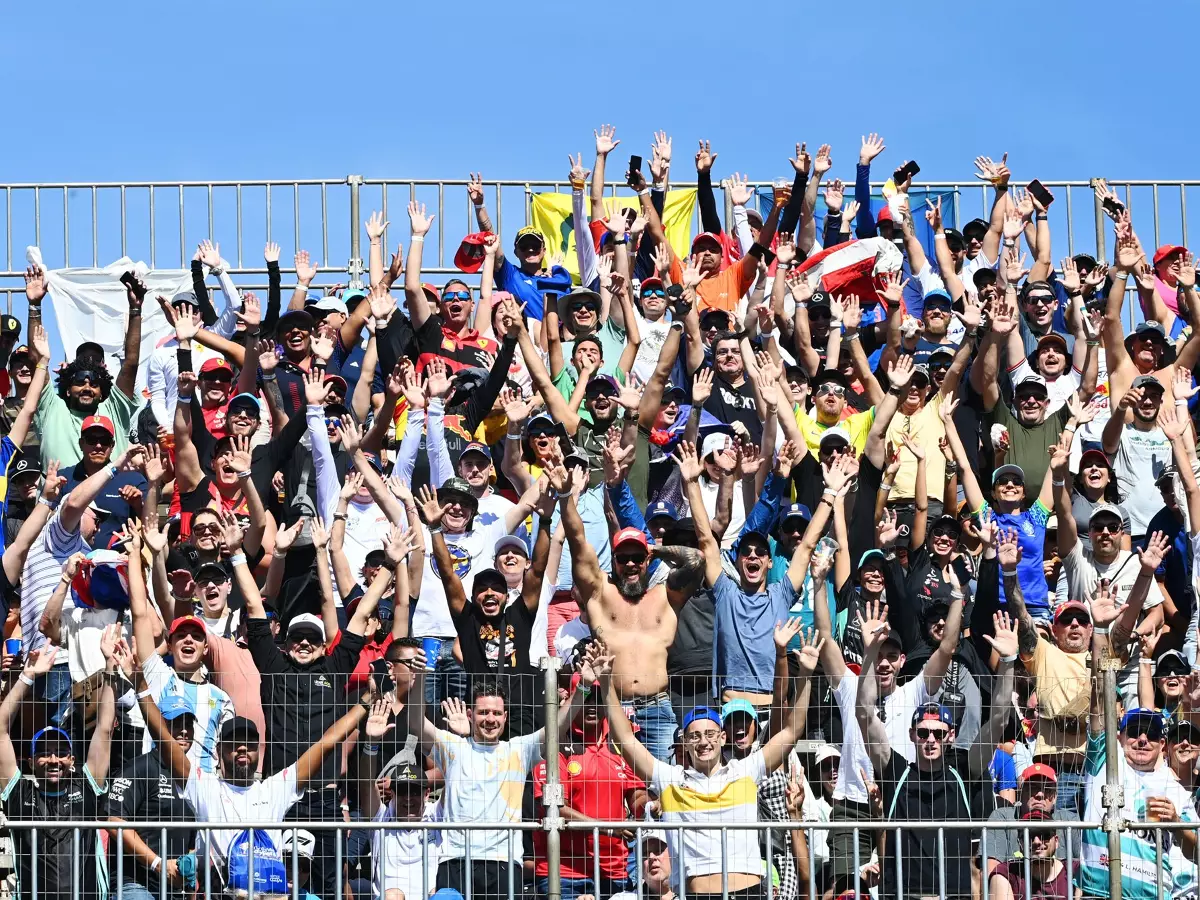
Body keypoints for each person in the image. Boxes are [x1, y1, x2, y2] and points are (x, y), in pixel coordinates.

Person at [602, 621, 819, 900]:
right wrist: (606, 681)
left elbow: (791, 730)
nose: (703, 742)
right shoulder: (671, 779)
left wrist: (807, 676)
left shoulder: (745, 770)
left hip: (748, 893)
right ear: (685, 743)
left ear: (723, 738)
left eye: (709, 734)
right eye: (694, 736)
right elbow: (626, 740)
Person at [402, 645, 598, 900]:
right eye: (483, 712)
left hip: (504, 862)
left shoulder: (518, 750)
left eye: (496, 713)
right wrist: (420, 681)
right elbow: (417, 723)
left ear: (505, 717)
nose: (490, 719)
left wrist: (582, 687)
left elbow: (555, 729)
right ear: (471, 715)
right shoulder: (453, 747)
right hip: (455, 861)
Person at [559, 452, 705, 762]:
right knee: (611, 797)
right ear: (612, 560)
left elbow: (697, 560)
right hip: (610, 706)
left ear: (648, 560)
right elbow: (576, 539)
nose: (630, 564)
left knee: (660, 795)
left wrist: (654, 547)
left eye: (637, 558)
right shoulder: (600, 593)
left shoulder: (667, 597)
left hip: (658, 710)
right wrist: (563, 496)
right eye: (623, 557)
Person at [0, 639, 120, 900]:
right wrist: (27, 676)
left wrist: (110, 670)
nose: (53, 759)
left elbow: (104, 728)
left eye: (61, 752)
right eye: (43, 753)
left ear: (72, 760)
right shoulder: (20, 795)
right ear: (31, 763)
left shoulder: (87, 788)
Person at [106, 695, 198, 900]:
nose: (183, 731)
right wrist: (158, 864)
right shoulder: (138, 768)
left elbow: (192, 843)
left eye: (188, 724)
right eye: (175, 724)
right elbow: (114, 822)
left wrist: (190, 887)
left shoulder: (194, 778)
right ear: (159, 727)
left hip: (177, 889)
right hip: (135, 884)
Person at [987, 810, 1072, 900]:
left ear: (1056, 841)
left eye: (1044, 834)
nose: (1036, 841)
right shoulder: (1006, 873)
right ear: (1020, 842)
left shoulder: (1073, 871)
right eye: (1029, 835)